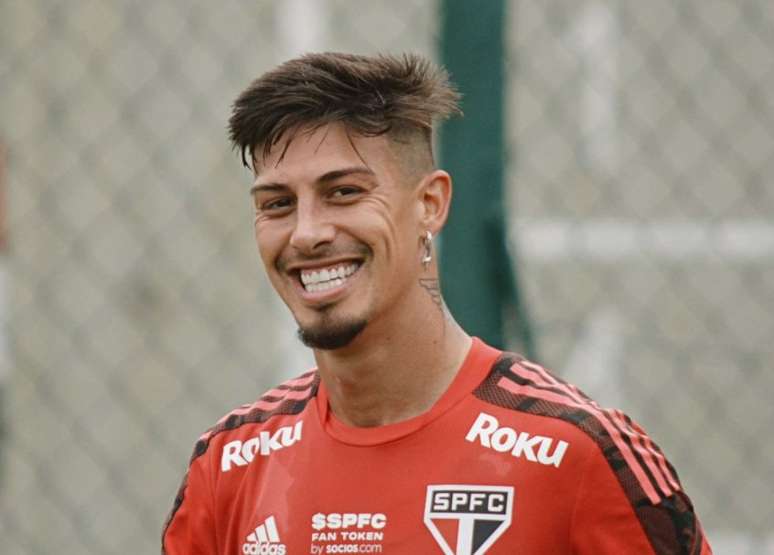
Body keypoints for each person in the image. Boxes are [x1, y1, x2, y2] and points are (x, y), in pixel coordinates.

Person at [162, 52, 711, 555]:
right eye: (278, 203)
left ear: (430, 204)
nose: (306, 233)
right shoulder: (229, 467)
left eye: (344, 192)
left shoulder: (577, 455)